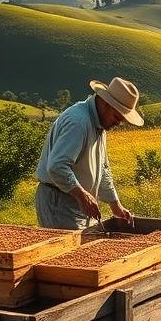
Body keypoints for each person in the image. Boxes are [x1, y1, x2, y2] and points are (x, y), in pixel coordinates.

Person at [34, 76, 143, 229]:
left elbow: (103, 169)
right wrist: (83, 196)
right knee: (69, 250)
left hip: (75, 201)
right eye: (117, 117)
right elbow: (57, 166)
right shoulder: (78, 122)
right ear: (105, 103)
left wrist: (115, 204)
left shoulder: (100, 124)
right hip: (58, 200)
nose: (118, 123)